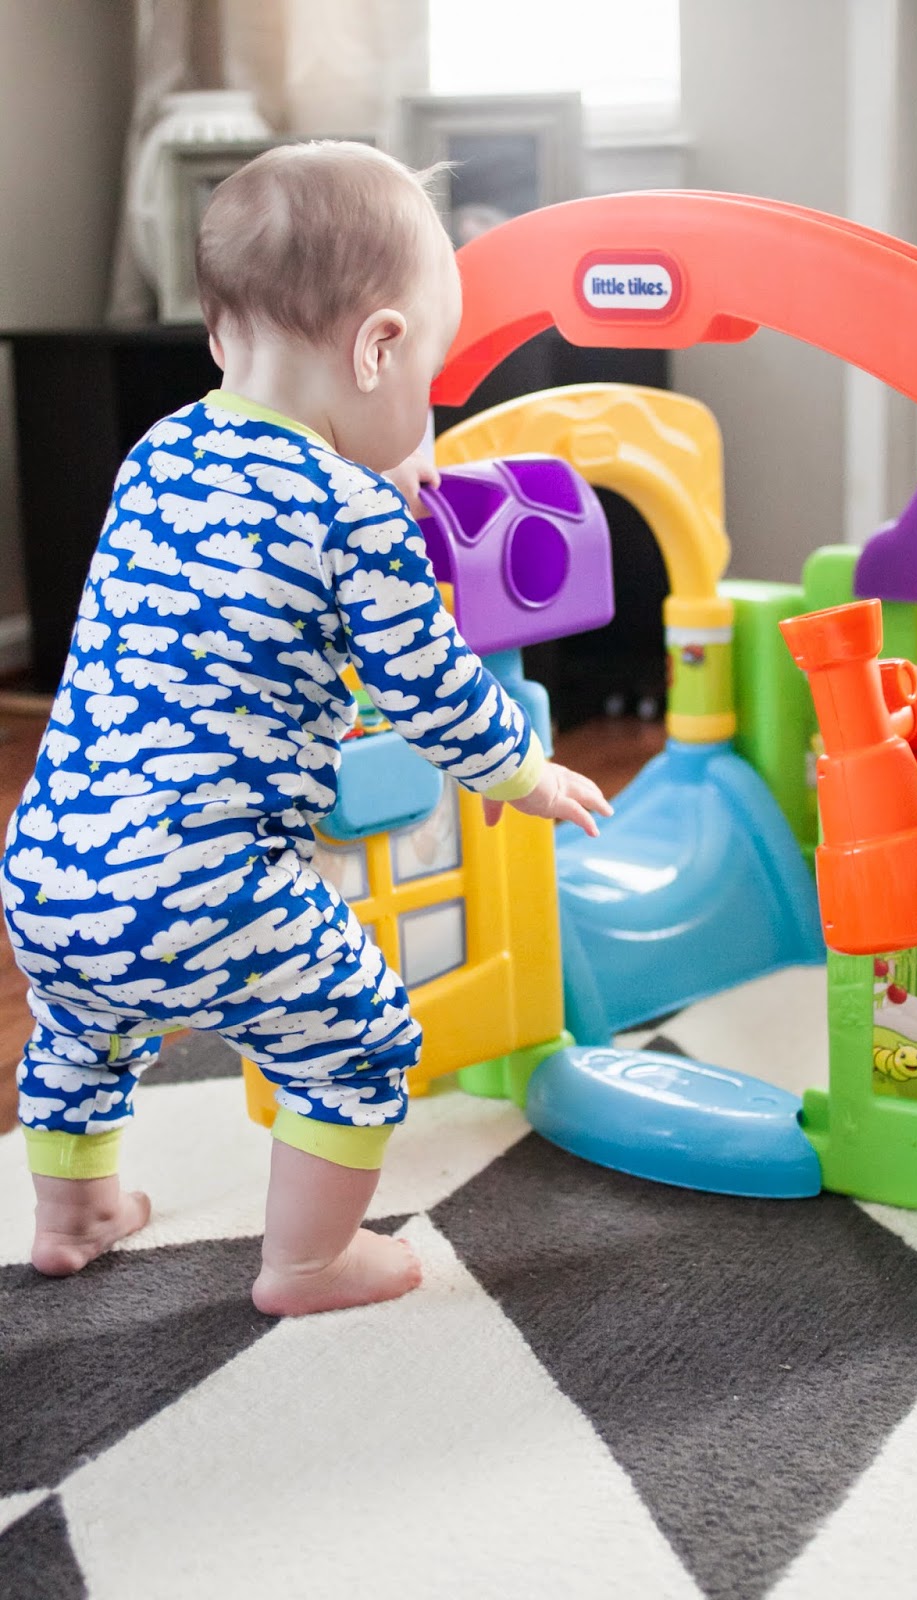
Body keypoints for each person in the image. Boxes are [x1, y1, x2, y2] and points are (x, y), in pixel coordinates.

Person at [0, 142, 611, 1317]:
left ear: (220, 335)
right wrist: (523, 775)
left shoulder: (158, 453)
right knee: (360, 1032)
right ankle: (309, 1262)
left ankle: (73, 1218)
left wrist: (381, 462)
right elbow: (431, 687)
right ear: (378, 348)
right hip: (209, 882)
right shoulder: (353, 515)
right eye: (427, 375)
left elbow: (249, 548)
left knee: (83, 1030)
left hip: (50, 864)